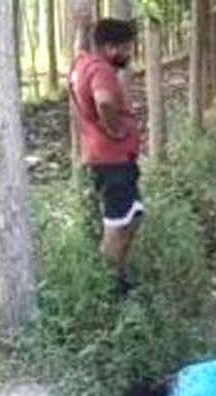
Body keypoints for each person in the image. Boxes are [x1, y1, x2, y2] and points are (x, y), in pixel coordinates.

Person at [69, 19, 143, 293]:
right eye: (126, 48)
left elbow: (80, 46)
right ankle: (109, 287)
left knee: (132, 217)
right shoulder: (102, 71)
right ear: (110, 48)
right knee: (117, 226)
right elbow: (104, 101)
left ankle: (118, 274)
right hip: (113, 163)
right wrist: (116, 129)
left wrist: (83, 26)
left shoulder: (83, 62)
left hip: (107, 160)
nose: (129, 54)